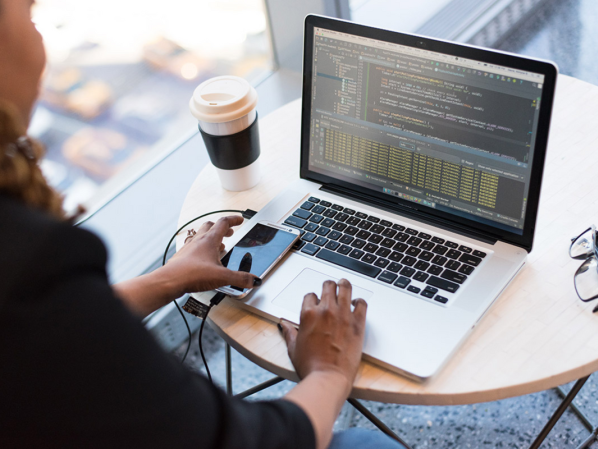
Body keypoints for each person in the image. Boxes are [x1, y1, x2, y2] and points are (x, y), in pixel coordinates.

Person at [0, 1, 406, 447]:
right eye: (22, 10)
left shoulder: (29, 277)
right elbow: (238, 440)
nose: (34, 21)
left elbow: (54, 327)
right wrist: (329, 373)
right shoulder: (31, 261)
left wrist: (168, 279)